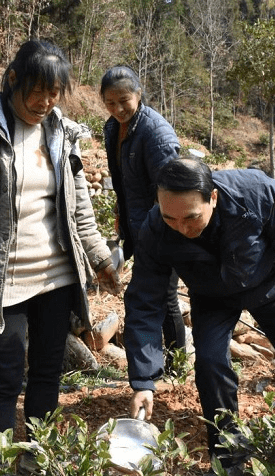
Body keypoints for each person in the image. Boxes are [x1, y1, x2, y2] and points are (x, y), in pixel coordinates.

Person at [0, 39, 122, 455]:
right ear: (14, 79)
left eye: (54, 93)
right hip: (2, 278)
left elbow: (78, 206)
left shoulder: (62, 131)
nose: (46, 101)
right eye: (38, 90)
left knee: (49, 371)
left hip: (56, 274)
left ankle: (38, 463)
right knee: (5, 374)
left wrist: (101, 257)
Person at [123, 157, 275, 466]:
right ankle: (229, 456)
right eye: (171, 219)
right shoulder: (157, 228)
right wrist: (143, 380)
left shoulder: (254, 191)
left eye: (191, 218)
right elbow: (145, 302)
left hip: (271, 283)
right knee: (209, 364)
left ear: (213, 197)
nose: (181, 228)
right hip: (212, 296)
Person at [100, 66, 186, 372]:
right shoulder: (113, 128)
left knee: (165, 296)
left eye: (124, 100)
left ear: (138, 95)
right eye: (110, 103)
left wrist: (158, 234)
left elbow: (169, 191)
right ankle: (154, 361)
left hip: (162, 228)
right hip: (136, 225)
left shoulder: (156, 133)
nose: (118, 109)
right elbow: (123, 182)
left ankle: (175, 365)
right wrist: (120, 220)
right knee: (148, 296)